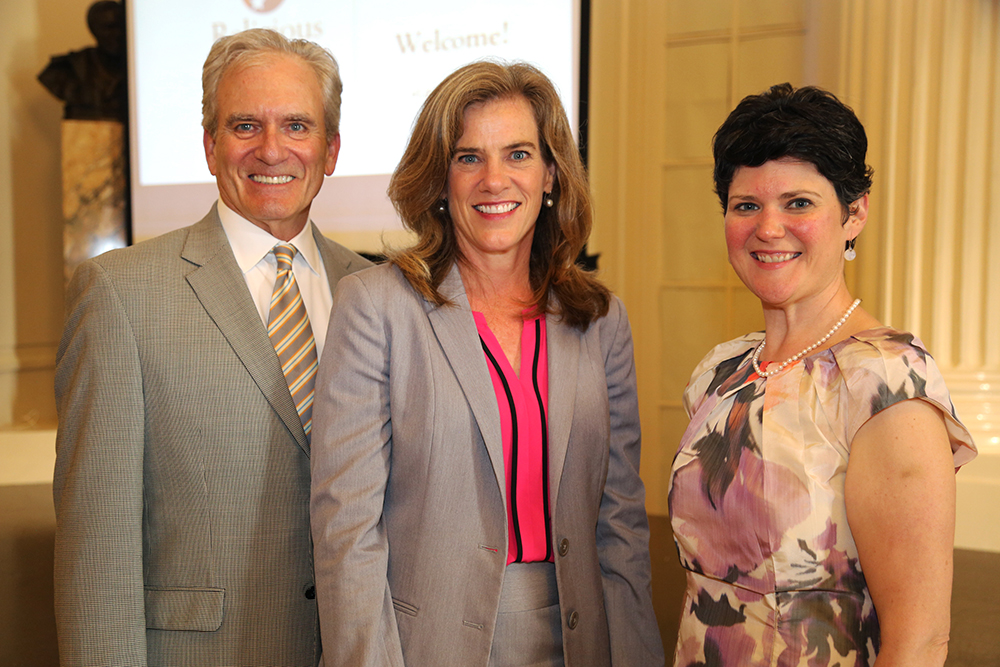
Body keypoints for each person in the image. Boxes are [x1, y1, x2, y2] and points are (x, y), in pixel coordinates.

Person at [310, 60, 664, 666]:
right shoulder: (376, 307)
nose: (494, 180)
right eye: (469, 157)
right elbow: (348, 532)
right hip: (425, 648)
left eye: (519, 155)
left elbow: (622, 525)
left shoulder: (600, 320)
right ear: (440, 180)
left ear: (551, 173)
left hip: (581, 640)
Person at [53, 28, 370, 666]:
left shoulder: (375, 292)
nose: (272, 149)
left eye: (298, 126)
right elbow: (98, 548)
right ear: (209, 146)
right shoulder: (121, 295)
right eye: (245, 125)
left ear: (331, 150)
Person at [667, 83, 978, 667]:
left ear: (854, 212)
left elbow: (919, 640)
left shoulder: (885, 387)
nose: (768, 227)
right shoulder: (721, 372)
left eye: (799, 203)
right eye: (745, 205)